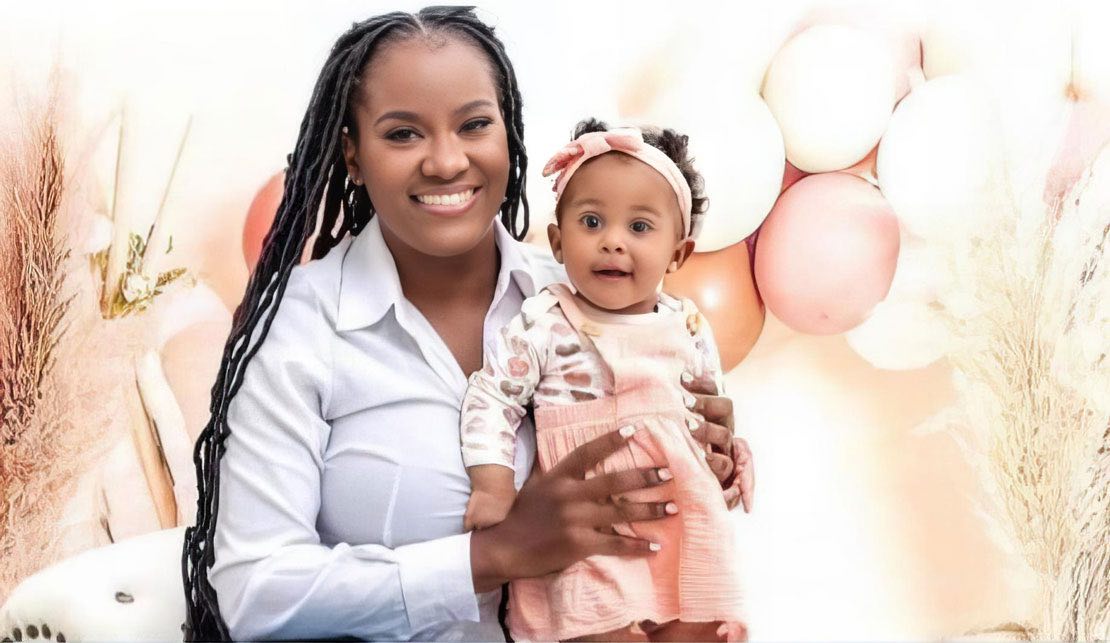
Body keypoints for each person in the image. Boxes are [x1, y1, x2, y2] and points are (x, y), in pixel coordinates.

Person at [181, 6, 754, 641]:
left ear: (508, 134)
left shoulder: (586, 297)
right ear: (352, 153)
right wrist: (490, 556)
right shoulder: (301, 326)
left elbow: (665, 521)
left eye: (475, 125)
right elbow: (255, 593)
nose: (447, 162)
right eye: (403, 134)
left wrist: (706, 458)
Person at [460, 120, 746, 641]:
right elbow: (493, 395)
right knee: (595, 627)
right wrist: (492, 481)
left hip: (683, 521)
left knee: (699, 623)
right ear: (558, 242)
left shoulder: (689, 327)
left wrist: (727, 465)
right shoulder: (545, 321)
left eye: (639, 227)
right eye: (591, 222)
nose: (612, 242)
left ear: (678, 254)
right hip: (590, 529)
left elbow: (711, 420)